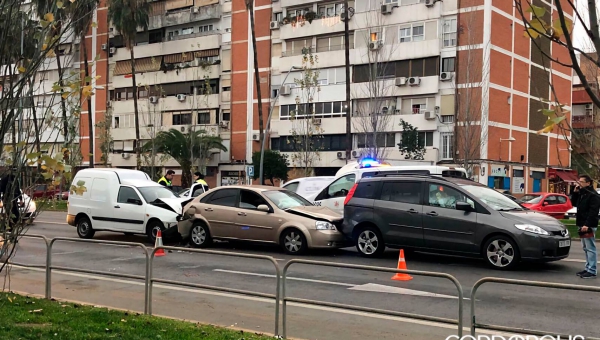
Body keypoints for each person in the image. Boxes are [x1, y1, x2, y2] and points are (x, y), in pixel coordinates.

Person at [571, 175, 599, 279]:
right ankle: (587, 268)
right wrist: (575, 192)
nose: (579, 183)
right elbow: (574, 204)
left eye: (581, 181)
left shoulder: (593, 195)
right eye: (579, 181)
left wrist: (587, 224)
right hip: (582, 223)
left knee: (590, 248)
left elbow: (593, 212)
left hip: (588, 225)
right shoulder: (582, 193)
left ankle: (592, 270)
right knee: (585, 248)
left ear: (588, 183)